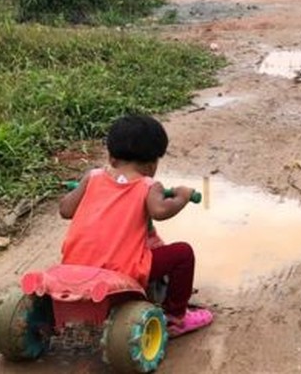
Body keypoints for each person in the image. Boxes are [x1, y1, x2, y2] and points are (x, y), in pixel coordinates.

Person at [59, 114, 213, 337]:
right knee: (183, 254)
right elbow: (160, 211)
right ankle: (176, 317)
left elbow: (65, 210)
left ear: (111, 158)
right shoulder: (148, 185)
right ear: (152, 165)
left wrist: (83, 191)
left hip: (75, 265)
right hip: (123, 270)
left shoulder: (92, 177)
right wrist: (183, 197)